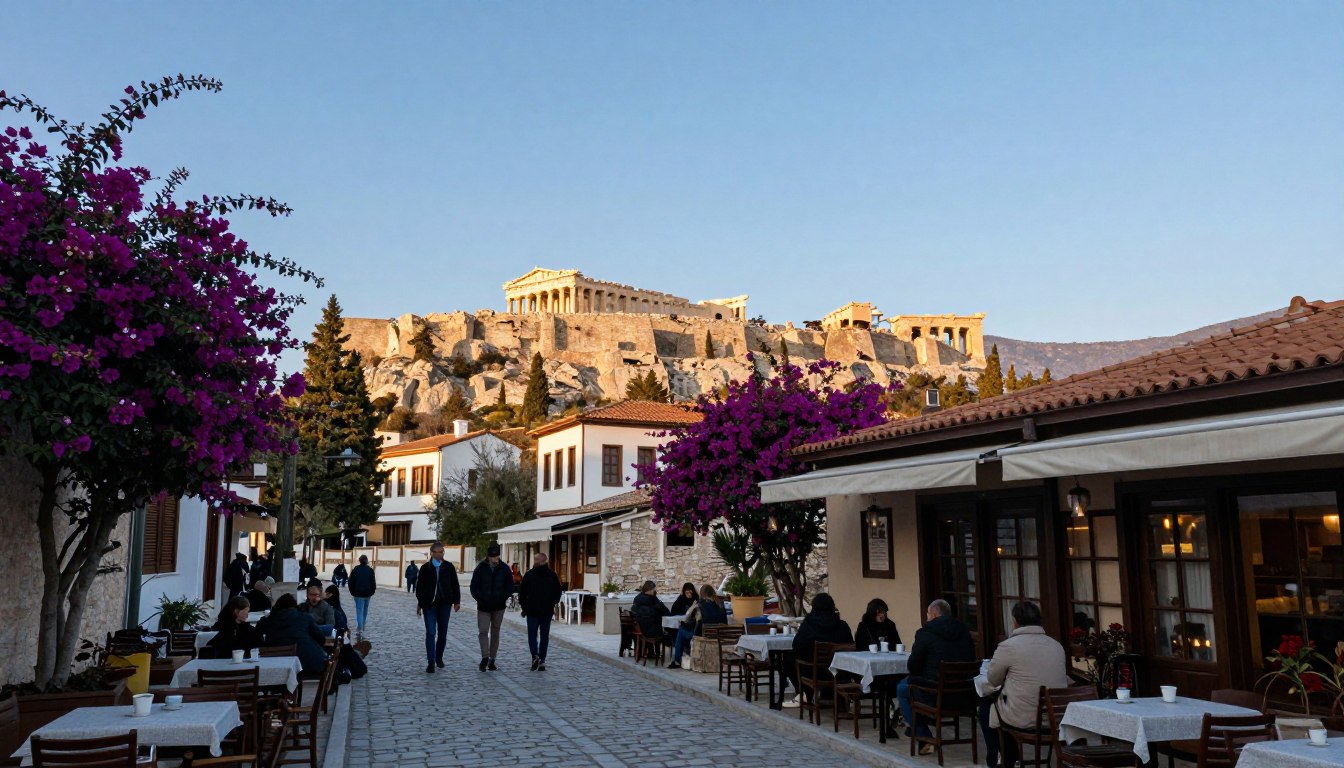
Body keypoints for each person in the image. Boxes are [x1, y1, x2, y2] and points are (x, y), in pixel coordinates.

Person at [980, 601, 1068, 768]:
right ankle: (1009, 758)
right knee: (1007, 704)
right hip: (1055, 716)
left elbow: (993, 679)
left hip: (1025, 718)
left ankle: (1001, 758)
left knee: (988, 705)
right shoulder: (1056, 646)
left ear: (1014, 621)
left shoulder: (1008, 646)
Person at [899, 599, 976, 751]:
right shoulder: (964, 632)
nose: (927, 617)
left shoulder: (925, 633)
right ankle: (921, 726)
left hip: (935, 695)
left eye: (928, 614)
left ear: (934, 615)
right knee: (911, 685)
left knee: (902, 688)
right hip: (964, 696)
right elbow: (972, 658)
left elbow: (913, 667)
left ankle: (924, 736)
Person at [782, 593, 853, 708]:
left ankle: (805, 693)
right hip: (838, 671)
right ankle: (828, 694)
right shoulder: (842, 626)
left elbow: (797, 645)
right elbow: (850, 646)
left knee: (789, 658)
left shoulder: (809, 624)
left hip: (812, 671)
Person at [415, 542, 461, 674]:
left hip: (444, 604)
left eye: (443, 552)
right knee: (430, 632)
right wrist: (421, 603)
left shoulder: (448, 567)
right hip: (430, 605)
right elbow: (419, 588)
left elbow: (455, 584)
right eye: (439, 552)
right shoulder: (425, 568)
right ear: (432, 553)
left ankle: (439, 656)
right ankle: (431, 662)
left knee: (442, 633)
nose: (441, 554)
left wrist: (456, 601)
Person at [470, 543, 515, 671]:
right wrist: (480, 598)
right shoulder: (481, 568)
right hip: (483, 606)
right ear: (488, 556)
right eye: (493, 556)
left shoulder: (504, 568)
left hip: (499, 606)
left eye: (497, 556)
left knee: (495, 632)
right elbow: (474, 586)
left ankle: (492, 659)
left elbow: (510, 586)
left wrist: (503, 597)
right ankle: (485, 656)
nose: (496, 558)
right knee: (483, 631)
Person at [258, 593, 329, 675]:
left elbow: (257, 639)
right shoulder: (305, 617)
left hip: (275, 667)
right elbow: (321, 639)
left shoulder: (267, 621)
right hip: (309, 664)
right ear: (295, 606)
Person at [518, 552, 563, 671]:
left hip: (532, 610)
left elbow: (522, 593)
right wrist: (552, 603)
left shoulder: (529, 575)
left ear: (537, 561)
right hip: (546, 611)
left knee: (532, 634)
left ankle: (535, 656)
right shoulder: (552, 575)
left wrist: (524, 607)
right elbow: (558, 592)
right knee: (544, 636)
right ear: (546, 561)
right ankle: (542, 660)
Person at [669, 585, 728, 669]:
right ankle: (686, 652)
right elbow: (725, 622)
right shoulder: (720, 605)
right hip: (718, 635)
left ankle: (677, 661)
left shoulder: (700, 605)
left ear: (702, 594)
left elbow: (686, 618)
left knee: (681, 631)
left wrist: (693, 606)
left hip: (703, 635)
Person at [348, 555, 377, 636]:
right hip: (368, 593)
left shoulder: (356, 569)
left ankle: (360, 627)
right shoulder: (370, 570)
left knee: (359, 611)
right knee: (365, 611)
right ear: (366, 561)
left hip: (358, 594)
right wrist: (372, 591)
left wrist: (352, 592)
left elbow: (350, 582)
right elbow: (373, 582)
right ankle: (362, 626)